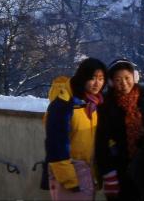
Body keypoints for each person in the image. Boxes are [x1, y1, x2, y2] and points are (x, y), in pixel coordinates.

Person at [43, 57, 107, 201]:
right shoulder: (64, 104)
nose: (97, 83)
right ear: (82, 77)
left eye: (101, 78)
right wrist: (69, 180)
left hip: (87, 173)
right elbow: (56, 144)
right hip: (71, 176)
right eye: (92, 78)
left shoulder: (93, 103)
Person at [95, 59, 144, 201]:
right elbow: (100, 141)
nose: (123, 83)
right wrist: (107, 173)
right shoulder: (105, 104)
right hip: (119, 168)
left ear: (134, 77)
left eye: (127, 78)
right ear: (111, 82)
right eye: (118, 80)